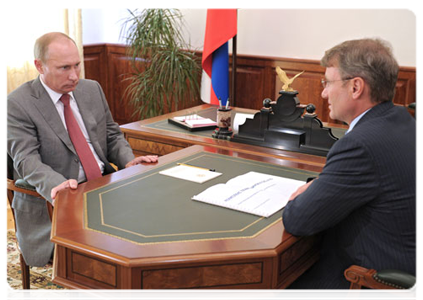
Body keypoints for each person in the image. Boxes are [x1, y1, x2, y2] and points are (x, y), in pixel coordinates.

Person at [278, 38, 419, 300]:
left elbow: (299, 220)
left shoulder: (361, 144)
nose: (323, 93)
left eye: (328, 83)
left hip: (370, 284)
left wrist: (304, 195)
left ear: (356, 87)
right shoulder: (404, 121)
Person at [5, 32, 158, 267]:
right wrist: (58, 186)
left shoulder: (91, 89)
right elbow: (26, 160)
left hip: (104, 189)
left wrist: (128, 160)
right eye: (64, 68)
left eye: (77, 65)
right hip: (60, 204)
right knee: (98, 257)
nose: (75, 76)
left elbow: (111, 134)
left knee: (153, 227)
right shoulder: (18, 104)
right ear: (39, 66)